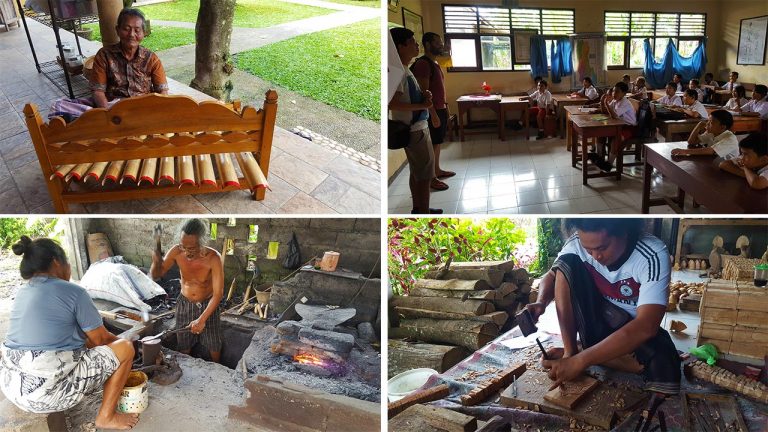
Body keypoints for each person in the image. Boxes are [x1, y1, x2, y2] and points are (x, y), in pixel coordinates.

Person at [527, 219, 680, 399]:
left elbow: (646, 326)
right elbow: (551, 276)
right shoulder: (576, 244)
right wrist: (541, 302)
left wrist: (581, 362)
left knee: (663, 366)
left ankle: (582, 352)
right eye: (588, 250)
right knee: (565, 265)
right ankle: (570, 352)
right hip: (594, 319)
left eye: (602, 248)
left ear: (623, 232)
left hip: (628, 327)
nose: (595, 256)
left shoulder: (652, 254)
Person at [0, 236, 139, 430]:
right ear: (57, 262)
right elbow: (102, 339)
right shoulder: (74, 292)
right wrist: (131, 349)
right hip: (46, 396)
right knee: (125, 348)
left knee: (85, 340)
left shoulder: (23, 291)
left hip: (12, 387)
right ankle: (106, 416)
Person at [48, 8, 168, 121]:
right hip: (113, 106)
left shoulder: (151, 58)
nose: (131, 34)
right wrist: (109, 115)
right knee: (57, 106)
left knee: (178, 106)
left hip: (143, 107)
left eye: (137, 30)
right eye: (126, 29)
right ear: (117, 30)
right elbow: (97, 91)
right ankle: (101, 121)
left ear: (144, 33)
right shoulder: (104, 55)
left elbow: (162, 92)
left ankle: (93, 123)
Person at [150, 219, 224, 362]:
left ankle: (219, 369)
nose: (187, 251)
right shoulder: (177, 251)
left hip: (208, 305)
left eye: (192, 248)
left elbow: (218, 293)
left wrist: (202, 320)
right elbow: (156, 274)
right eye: (184, 246)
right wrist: (156, 261)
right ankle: (186, 367)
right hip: (184, 304)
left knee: (214, 343)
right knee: (184, 342)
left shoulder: (214, 258)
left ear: (202, 243)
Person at [389, 27, 441, 214]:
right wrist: (424, 106)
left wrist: (422, 95)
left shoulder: (405, 70)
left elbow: (408, 97)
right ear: (400, 47)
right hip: (414, 129)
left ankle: (419, 208)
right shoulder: (399, 73)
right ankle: (423, 212)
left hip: (416, 127)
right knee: (425, 175)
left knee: (417, 172)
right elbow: (393, 104)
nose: (416, 45)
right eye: (412, 42)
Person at [411, 32, 455, 192]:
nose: (441, 45)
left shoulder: (435, 63)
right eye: (438, 43)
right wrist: (434, 114)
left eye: (441, 42)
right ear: (428, 45)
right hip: (431, 112)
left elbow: (439, 90)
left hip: (440, 108)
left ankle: (437, 170)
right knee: (431, 146)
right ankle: (431, 178)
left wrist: (445, 108)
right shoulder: (423, 64)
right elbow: (425, 92)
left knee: (437, 143)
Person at [590, 81, 636, 172]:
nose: (614, 93)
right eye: (614, 91)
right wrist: (603, 102)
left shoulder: (625, 103)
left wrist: (607, 104)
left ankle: (609, 164)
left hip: (629, 128)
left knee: (616, 140)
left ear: (624, 93)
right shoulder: (616, 101)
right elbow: (606, 112)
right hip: (617, 125)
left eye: (617, 91)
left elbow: (614, 115)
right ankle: (599, 157)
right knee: (600, 134)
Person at [671, 110, 739, 160]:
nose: (707, 124)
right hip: (714, 163)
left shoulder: (730, 138)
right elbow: (691, 141)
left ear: (722, 127)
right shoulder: (711, 133)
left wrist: (684, 151)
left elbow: (711, 151)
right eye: (708, 121)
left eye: (711, 122)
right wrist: (699, 125)